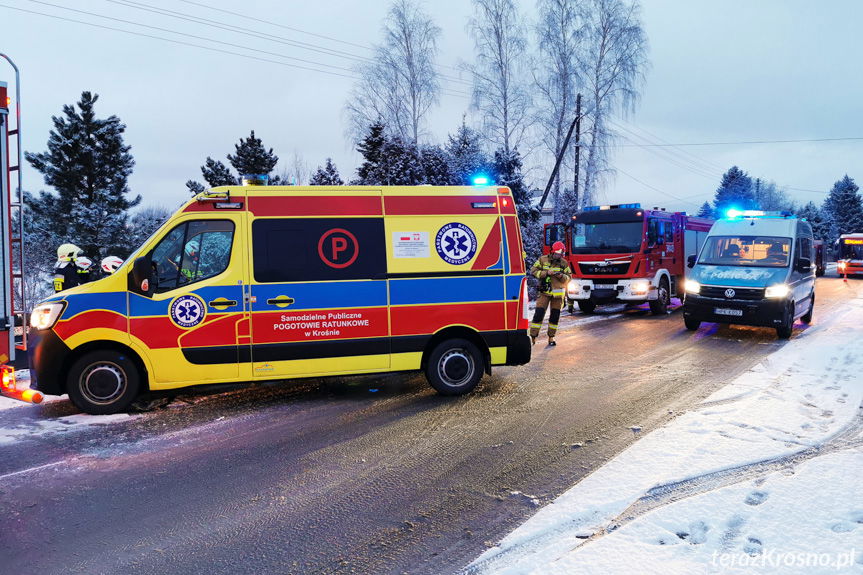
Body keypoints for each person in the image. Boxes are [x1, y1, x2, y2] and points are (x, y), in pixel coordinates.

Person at [529, 241, 572, 346]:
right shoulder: (543, 259)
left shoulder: (564, 263)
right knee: (538, 315)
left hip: (557, 296)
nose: (559, 255)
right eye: (557, 252)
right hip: (544, 292)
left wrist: (561, 276)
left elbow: (569, 278)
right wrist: (545, 273)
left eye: (561, 253)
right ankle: (533, 337)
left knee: (554, 317)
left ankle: (551, 338)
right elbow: (533, 270)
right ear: (552, 251)